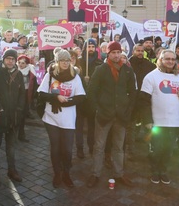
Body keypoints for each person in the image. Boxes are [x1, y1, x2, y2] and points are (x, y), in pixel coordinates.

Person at [86, 41, 137, 188]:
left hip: (121, 115)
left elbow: (133, 92)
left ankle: (118, 174)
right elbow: (92, 91)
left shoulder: (127, 70)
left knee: (118, 147)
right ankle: (95, 174)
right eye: (113, 52)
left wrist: (128, 110)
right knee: (99, 146)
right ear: (108, 54)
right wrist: (97, 109)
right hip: (104, 114)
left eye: (118, 52)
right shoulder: (101, 69)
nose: (116, 55)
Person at [141, 49, 179, 184]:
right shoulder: (151, 76)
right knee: (157, 148)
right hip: (157, 122)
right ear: (160, 60)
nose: (170, 61)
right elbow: (144, 101)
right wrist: (147, 120)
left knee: (169, 149)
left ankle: (163, 170)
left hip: (175, 121)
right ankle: (155, 170)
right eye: (167, 59)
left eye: (172, 59)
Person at [37, 49, 86, 188]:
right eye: (62, 61)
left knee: (68, 149)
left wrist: (66, 102)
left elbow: (81, 97)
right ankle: (57, 173)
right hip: (51, 117)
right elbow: (40, 94)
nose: (65, 63)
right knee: (56, 147)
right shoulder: (50, 75)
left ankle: (66, 173)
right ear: (57, 62)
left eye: (67, 60)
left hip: (68, 118)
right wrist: (55, 98)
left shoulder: (75, 76)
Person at [0, 49, 25, 186]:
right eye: (8, 58)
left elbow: (22, 94)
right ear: (3, 59)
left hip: (13, 116)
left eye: (13, 59)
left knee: (11, 146)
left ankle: (12, 170)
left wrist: (20, 109)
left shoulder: (18, 74)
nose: (10, 61)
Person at [76, 38, 103, 159]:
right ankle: (79, 148)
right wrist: (83, 79)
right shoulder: (79, 62)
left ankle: (91, 147)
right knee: (79, 126)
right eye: (88, 47)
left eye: (93, 47)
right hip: (81, 99)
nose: (91, 49)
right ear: (85, 48)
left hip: (93, 99)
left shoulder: (99, 63)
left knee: (92, 126)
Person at [17, 55, 38, 142]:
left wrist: (33, 97)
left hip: (26, 95)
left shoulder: (31, 71)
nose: (20, 65)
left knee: (22, 116)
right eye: (19, 63)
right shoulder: (14, 71)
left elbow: (34, 85)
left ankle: (21, 135)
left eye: (23, 63)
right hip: (16, 95)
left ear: (26, 64)